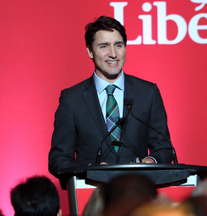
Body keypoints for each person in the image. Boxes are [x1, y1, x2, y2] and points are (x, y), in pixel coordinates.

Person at [48, 16, 173, 177]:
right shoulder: (72, 99)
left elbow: (164, 148)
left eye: (118, 45)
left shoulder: (148, 93)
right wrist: (88, 171)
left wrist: (151, 161)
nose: (113, 54)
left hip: (138, 191)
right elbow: (58, 160)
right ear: (90, 51)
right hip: (93, 194)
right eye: (104, 46)